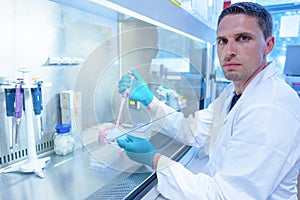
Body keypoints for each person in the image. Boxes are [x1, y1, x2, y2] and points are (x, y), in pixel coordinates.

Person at [117, 2, 300, 199]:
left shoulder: (271, 108)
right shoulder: (234, 92)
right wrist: (150, 100)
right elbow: (193, 130)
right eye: (222, 41)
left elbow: (226, 196)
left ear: (269, 45)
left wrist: (154, 160)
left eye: (243, 38)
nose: (229, 51)